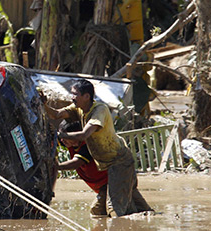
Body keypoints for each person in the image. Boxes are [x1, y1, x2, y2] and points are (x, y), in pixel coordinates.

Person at [40, 79, 152, 217]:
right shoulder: (78, 109)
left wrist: (58, 135)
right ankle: (150, 221)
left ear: (87, 96)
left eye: (75, 94)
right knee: (136, 204)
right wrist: (44, 104)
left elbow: (84, 135)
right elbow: (56, 114)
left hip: (118, 161)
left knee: (114, 208)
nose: (72, 97)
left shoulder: (100, 110)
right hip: (110, 164)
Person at [57, 120, 108, 216]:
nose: (62, 140)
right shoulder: (68, 142)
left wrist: (56, 167)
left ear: (76, 135)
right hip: (101, 185)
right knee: (137, 205)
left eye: (66, 137)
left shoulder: (88, 145)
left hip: (109, 183)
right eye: (62, 137)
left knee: (98, 211)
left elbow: (75, 163)